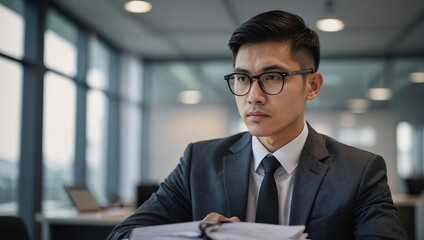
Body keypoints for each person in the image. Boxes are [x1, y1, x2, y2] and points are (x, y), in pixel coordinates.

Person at [106, 10, 408, 240]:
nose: (253, 96)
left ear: (312, 85)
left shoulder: (359, 171)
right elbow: (123, 234)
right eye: (242, 78)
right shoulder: (199, 162)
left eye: (273, 77)